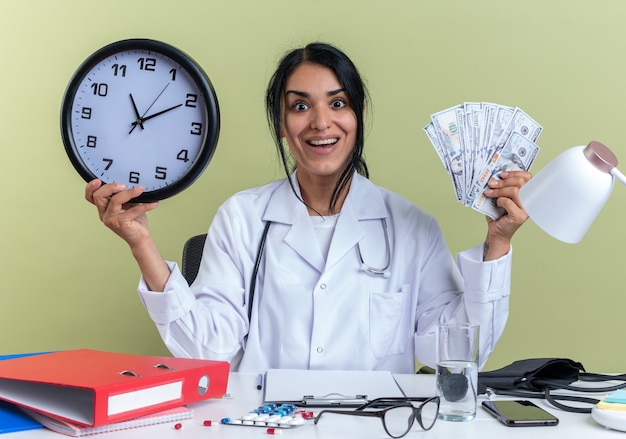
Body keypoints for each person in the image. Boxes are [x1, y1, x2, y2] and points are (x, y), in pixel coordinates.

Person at [85, 42, 530, 373]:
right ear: (282, 124)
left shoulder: (411, 227)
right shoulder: (242, 217)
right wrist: (140, 241)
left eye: (338, 103)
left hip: (374, 426)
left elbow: (459, 353)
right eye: (300, 106)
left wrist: (498, 241)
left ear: (357, 117)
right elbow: (208, 348)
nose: (321, 122)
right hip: (263, 424)